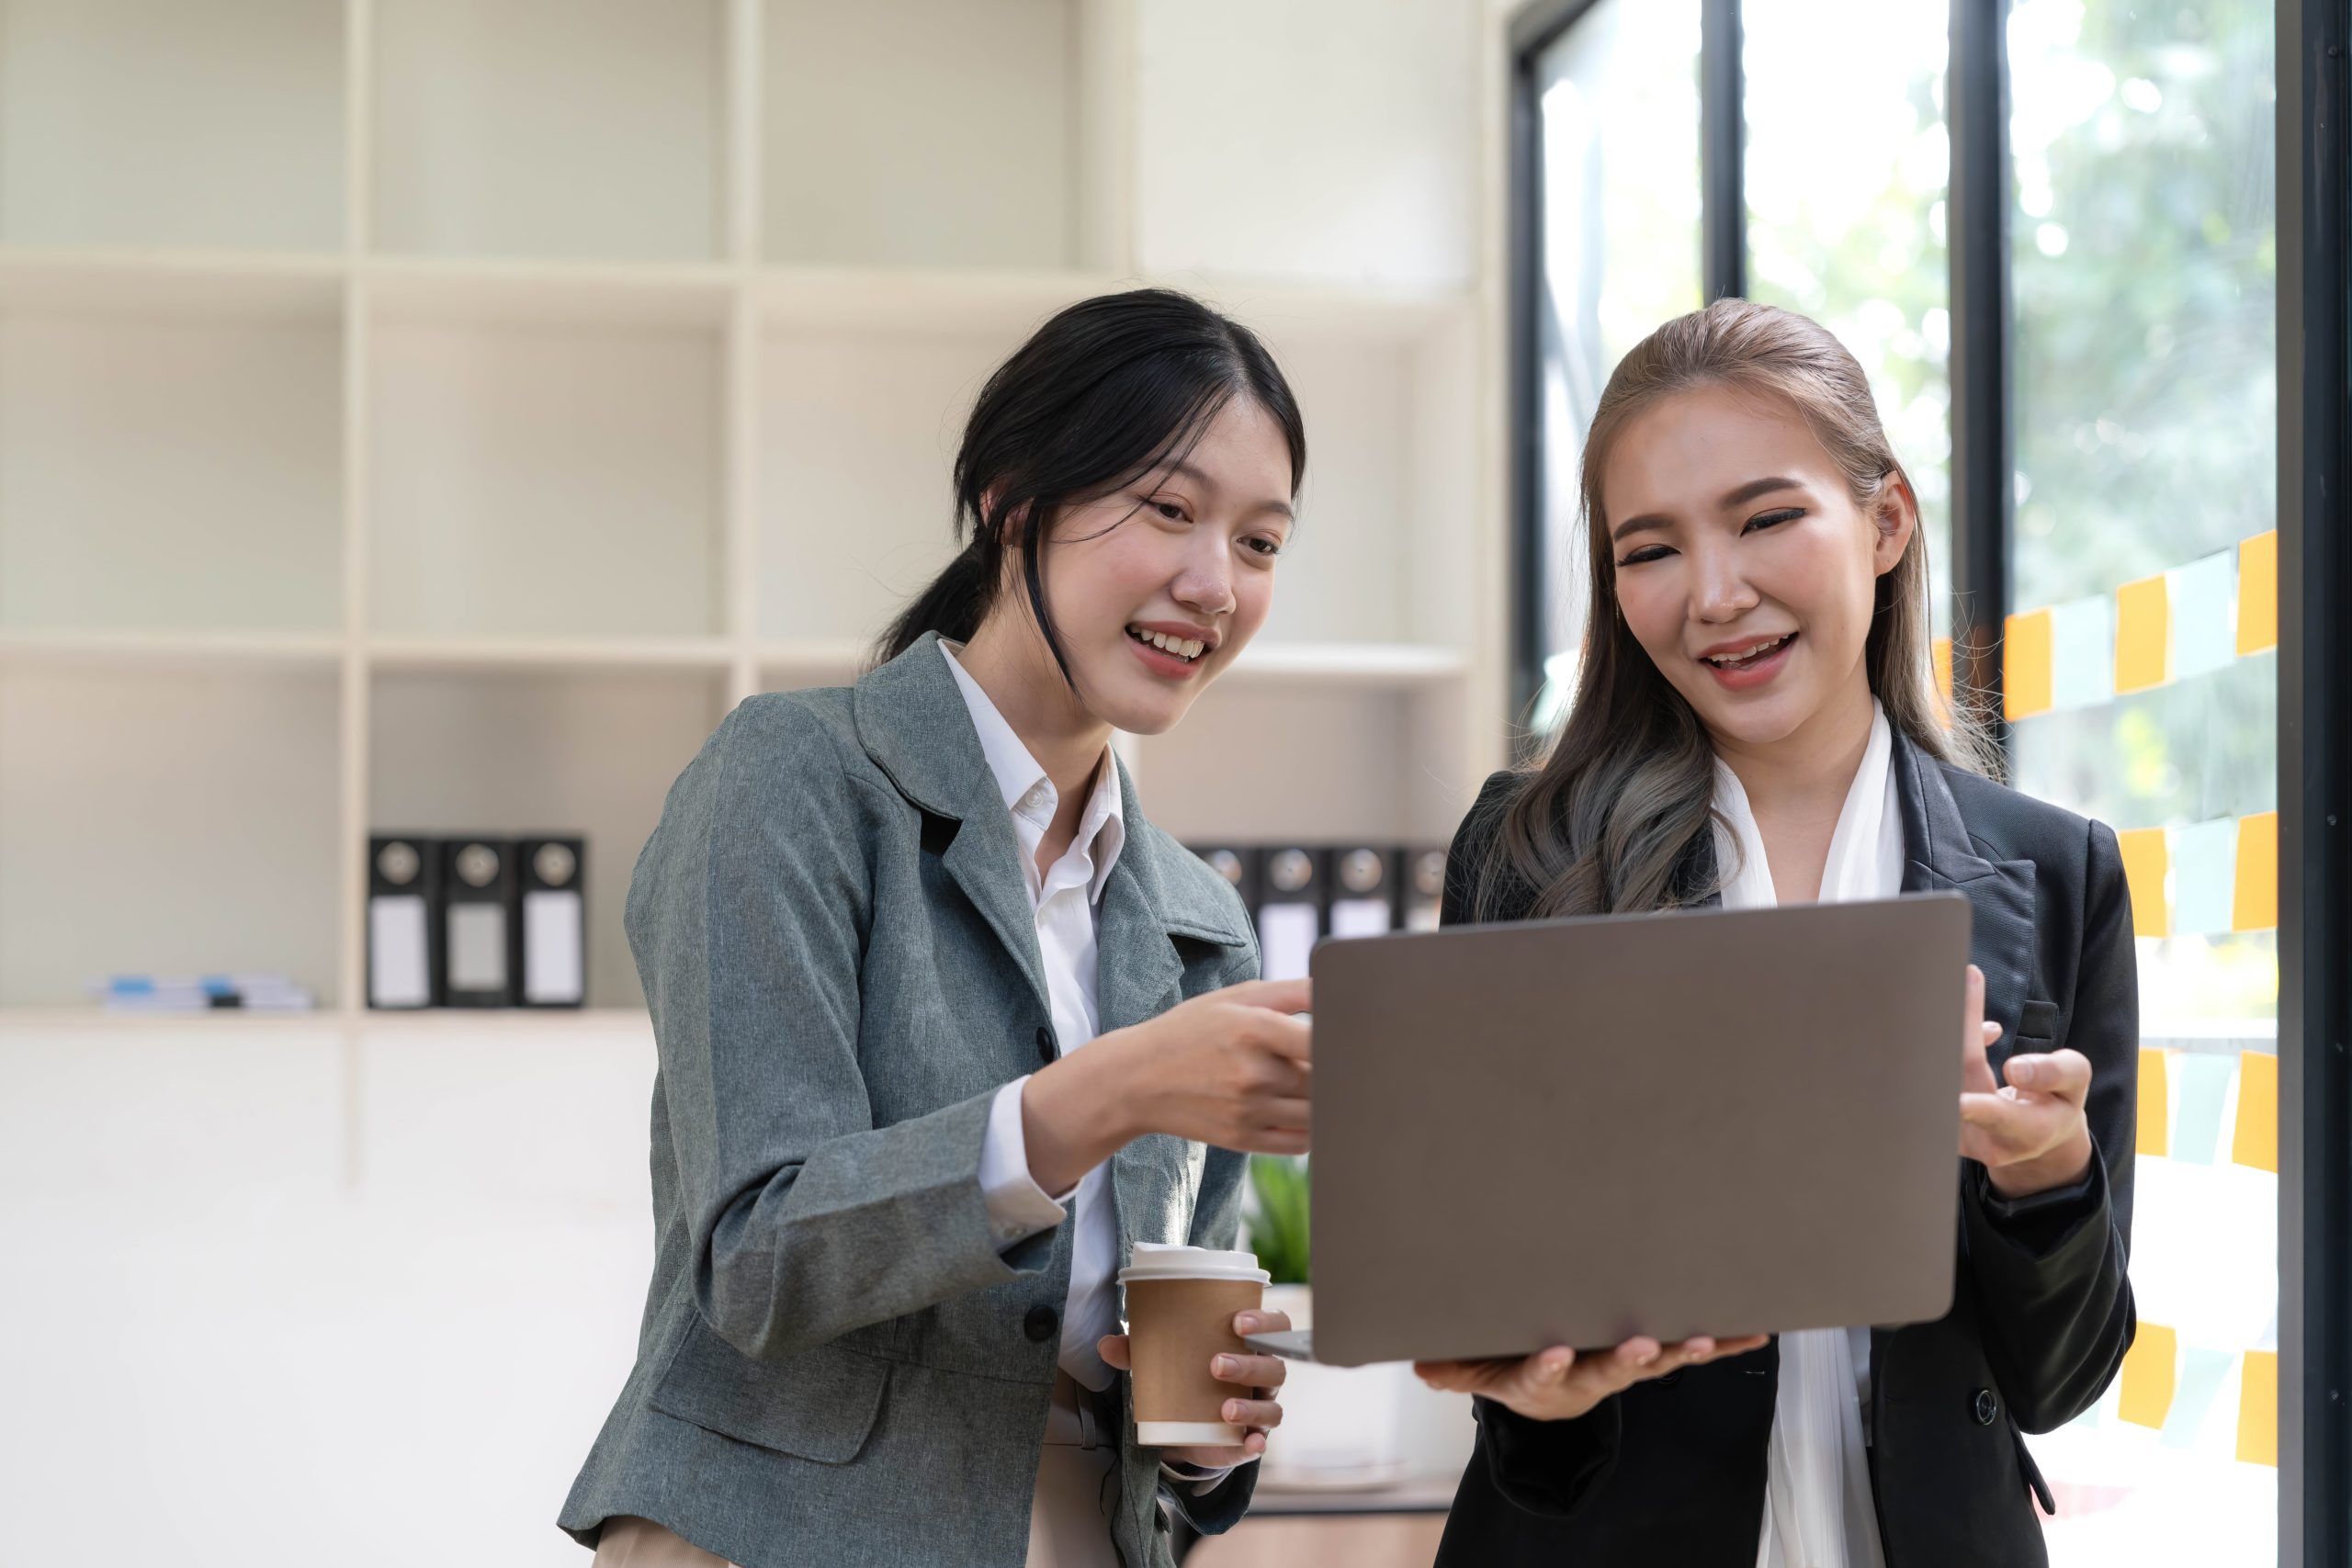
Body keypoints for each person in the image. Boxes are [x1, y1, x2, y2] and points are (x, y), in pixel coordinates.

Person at [560, 289, 1316, 1568]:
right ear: (1015, 501)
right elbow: (755, 1257)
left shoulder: (1197, 924)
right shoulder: (790, 782)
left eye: (1260, 542)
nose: (1213, 584)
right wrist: (1108, 1091)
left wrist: (1203, 1432)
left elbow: (1169, 1357)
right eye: (1171, 511)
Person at [1417, 299, 2137, 1568]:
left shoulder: (2054, 869)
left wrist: (2045, 1182)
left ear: (1886, 520)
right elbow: (1510, 1403)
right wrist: (1535, 1393)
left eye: (1765, 519)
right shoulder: (1529, 856)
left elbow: (2057, 1384)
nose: (1714, 596)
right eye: (1649, 550)